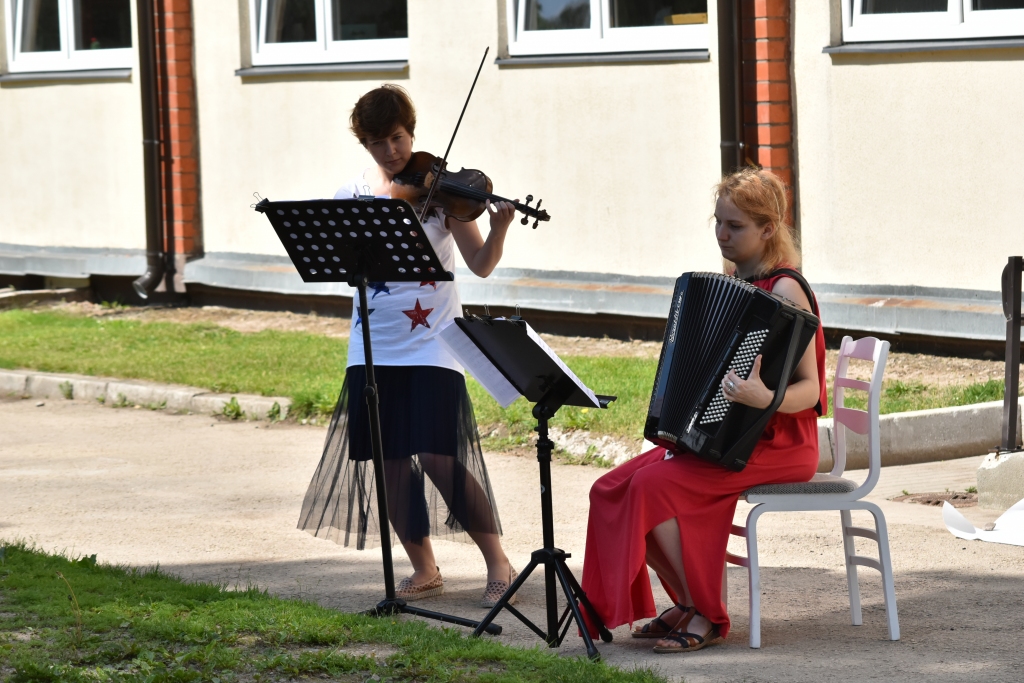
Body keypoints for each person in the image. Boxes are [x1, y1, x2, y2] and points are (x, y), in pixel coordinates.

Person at [580, 167, 827, 652]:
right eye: (717, 222)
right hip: (731, 436)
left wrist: (765, 399)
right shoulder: (737, 281)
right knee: (611, 487)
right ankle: (687, 602)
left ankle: (705, 615)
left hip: (781, 444)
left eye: (734, 226)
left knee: (652, 487)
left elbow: (812, 391)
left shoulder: (786, 290)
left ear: (768, 229)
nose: (721, 234)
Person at [297, 84, 519, 607]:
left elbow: (481, 264)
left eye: (396, 138)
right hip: (373, 345)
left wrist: (500, 227)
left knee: (441, 457)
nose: (390, 151)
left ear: (411, 133)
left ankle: (498, 563)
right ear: (364, 144)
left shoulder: (441, 196)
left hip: (434, 343)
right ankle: (425, 569)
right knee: (391, 461)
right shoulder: (353, 197)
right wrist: (400, 197)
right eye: (376, 142)